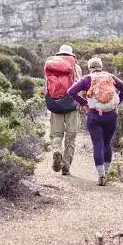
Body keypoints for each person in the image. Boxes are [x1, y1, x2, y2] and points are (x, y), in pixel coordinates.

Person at [67, 56, 123, 185]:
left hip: (94, 116)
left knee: (97, 144)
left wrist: (84, 103)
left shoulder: (86, 79)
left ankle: (100, 176)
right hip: (111, 115)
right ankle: (106, 174)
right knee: (107, 144)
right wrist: (117, 101)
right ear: (101, 66)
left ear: (89, 68)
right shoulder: (110, 76)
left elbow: (71, 91)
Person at [43, 44, 82, 175]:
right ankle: (66, 166)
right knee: (71, 137)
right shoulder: (76, 67)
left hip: (55, 105)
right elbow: (79, 86)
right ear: (72, 55)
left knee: (56, 134)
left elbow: (46, 88)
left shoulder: (51, 67)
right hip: (72, 105)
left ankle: (56, 150)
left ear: (59, 54)